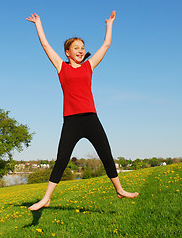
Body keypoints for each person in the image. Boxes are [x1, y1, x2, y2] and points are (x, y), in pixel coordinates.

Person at [26, 11, 139, 211]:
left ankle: (120, 190)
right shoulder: (61, 67)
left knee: (106, 154)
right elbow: (45, 45)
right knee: (61, 159)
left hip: (91, 119)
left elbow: (106, 45)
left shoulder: (89, 66)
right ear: (67, 52)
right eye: (75, 48)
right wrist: (38, 24)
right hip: (71, 121)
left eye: (82, 48)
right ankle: (46, 198)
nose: (80, 50)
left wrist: (109, 24)